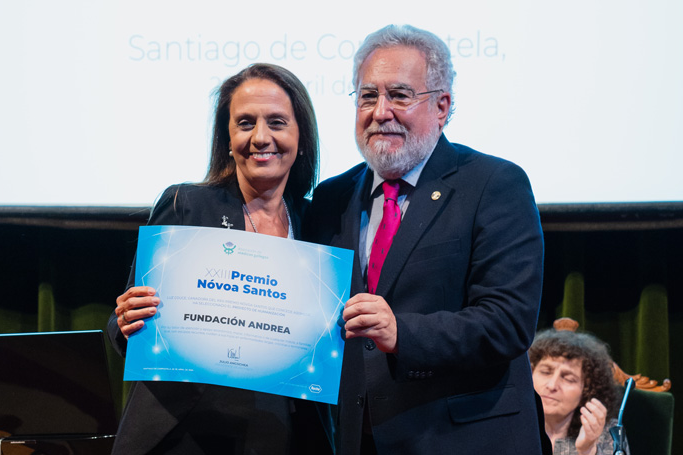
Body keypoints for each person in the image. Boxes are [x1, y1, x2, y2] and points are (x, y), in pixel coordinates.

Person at [303, 24, 546, 454]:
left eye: (399, 95)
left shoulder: (493, 184)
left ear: (442, 106)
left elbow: (507, 321)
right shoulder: (330, 198)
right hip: (359, 440)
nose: (380, 111)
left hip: (465, 439)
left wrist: (403, 332)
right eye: (367, 96)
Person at [107, 63, 329, 455]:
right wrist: (126, 321)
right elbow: (122, 328)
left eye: (277, 122)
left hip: (279, 434)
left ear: (300, 135)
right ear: (227, 137)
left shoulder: (319, 225)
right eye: (245, 123)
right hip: (183, 434)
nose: (261, 137)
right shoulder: (186, 205)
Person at [530, 329, 629, 455]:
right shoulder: (511, 422)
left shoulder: (609, 432)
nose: (552, 385)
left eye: (568, 379)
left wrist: (587, 450)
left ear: (588, 389)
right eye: (545, 372)